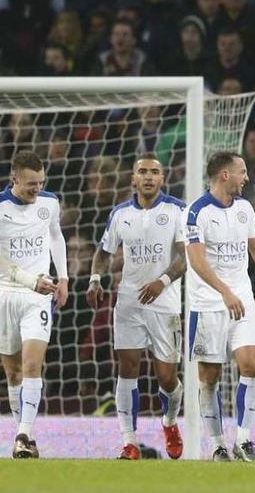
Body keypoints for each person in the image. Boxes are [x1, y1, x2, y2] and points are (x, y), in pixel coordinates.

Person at [185, 151, 255, 462]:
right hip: (208, 304)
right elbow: (196, 260)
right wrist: (224, 292)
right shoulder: (196, 212)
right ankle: (218, 444)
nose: (247, 178)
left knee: (251, 365)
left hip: (242, 301)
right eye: (242, 172)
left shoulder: (245, 208)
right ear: (224, 175)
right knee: (209, 376)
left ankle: (243, 440)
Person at [86, 155, 186, 460]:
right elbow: (103, 254)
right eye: (142, 171)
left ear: (162, 178)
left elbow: (185, 258)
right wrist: (94, 279)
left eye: (154, 172)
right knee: (128, 368)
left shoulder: (177, 211)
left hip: (165, 304)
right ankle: (129, 442)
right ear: (133, 178)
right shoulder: (119, 214)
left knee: (167, 376)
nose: (148, 177)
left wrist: (163, 281)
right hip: (128, 302)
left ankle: (169, 422)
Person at [0, 150, 68, 459]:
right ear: (14, 179)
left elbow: (56, 236)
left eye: (41, 182)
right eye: (31, 184)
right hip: (5, 293)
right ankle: (24, 438)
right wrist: (30, 280)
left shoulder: (49, 203)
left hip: (37, 296)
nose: (37, 189)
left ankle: (23, 433)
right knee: (13, 373)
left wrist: (65, 278)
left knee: (32, 365)